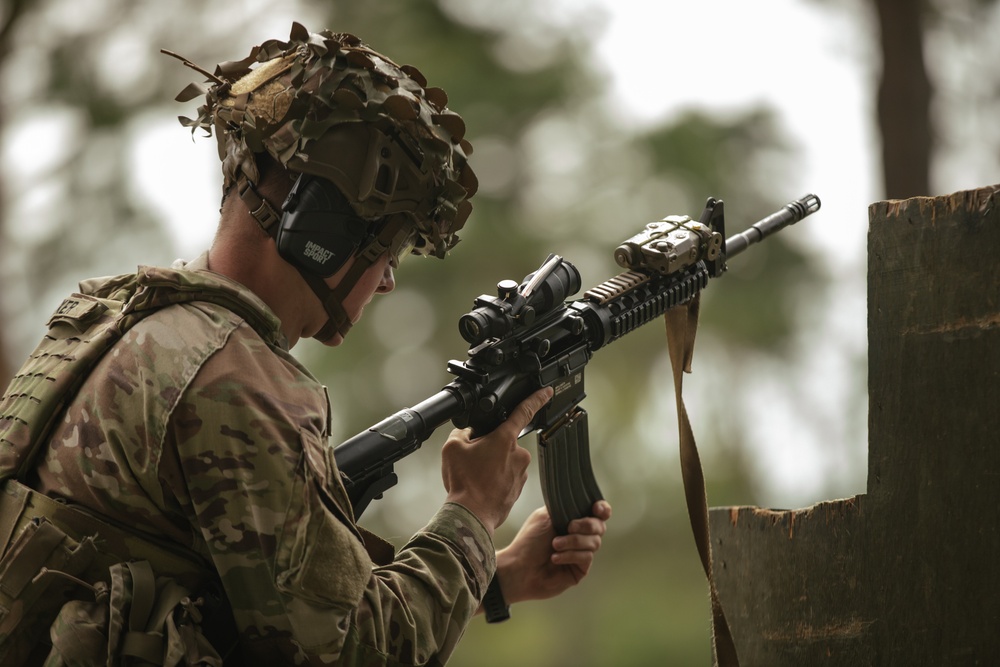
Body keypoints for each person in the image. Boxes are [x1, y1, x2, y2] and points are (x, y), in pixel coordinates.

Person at [0, 22, 611, 665]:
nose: (388, 281)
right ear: (325, 229)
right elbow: (357, 651)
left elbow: (237, 603)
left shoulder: (110, 319)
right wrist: (473, 511)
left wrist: (495, 578)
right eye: (390, 248)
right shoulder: (233, 382)